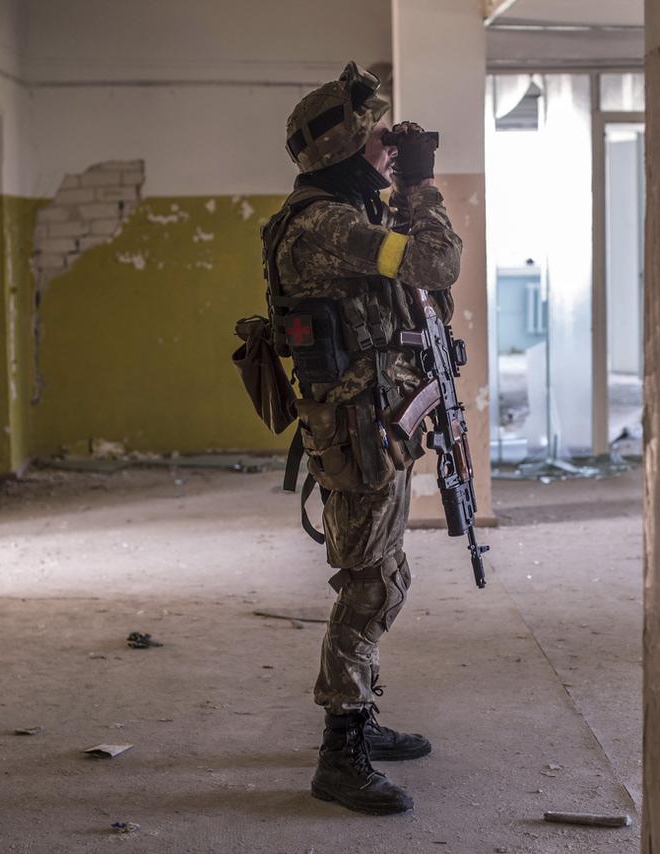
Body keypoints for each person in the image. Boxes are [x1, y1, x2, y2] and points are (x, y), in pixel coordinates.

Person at [260, 61, 462, 815]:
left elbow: (420, 288)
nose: (388, 148)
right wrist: (421, 187)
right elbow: (438, 262)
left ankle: (362, 716)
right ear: (341, 149)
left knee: (384, 572)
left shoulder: (334, 218)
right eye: (377, 140)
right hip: (357, 433)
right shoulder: (332, 226)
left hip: (369, 424)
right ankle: (339, 750)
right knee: (370, 584)